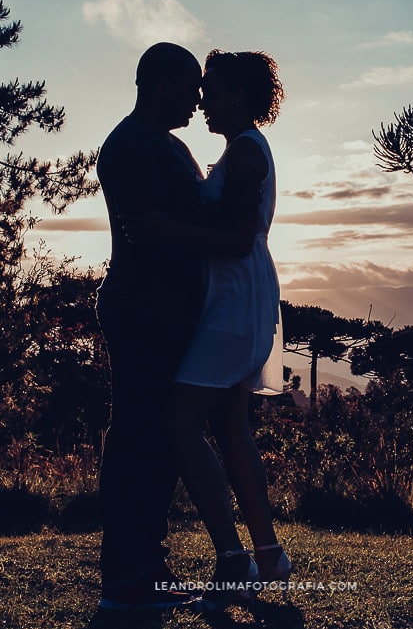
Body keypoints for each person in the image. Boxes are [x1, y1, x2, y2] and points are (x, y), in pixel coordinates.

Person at [130, 49, 292, 611]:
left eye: (213, 90)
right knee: (230, 427)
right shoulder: (239, 150)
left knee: (180, 420)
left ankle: (233, 558)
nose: (203, 101)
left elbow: (235, 240)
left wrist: (164, 228)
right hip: (236, 295)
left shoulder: (246, 152)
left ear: (239, 96)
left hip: (235, 300)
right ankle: (267, 555)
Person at [94, 42, 206, 610]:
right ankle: (128, 575)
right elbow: (152, 232)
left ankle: (147, 566)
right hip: (144, 310)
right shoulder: (131, 147)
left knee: (159, 438)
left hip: (163, 310)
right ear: (160, 84)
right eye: (191, 86)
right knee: (140, 436)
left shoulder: (167, 144)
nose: (198, 97)